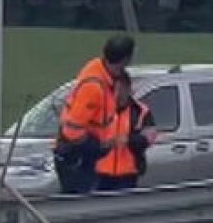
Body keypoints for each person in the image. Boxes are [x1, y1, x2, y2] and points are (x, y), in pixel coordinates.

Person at [55, 34, 135, 194]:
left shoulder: (102, 75)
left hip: (83, 156)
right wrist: (96, 146)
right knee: (81, 206)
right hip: (77, 158)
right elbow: (72, 130)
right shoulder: (94, 86)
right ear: (126, 60)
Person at [95, 72, 153, 192]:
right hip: (100, 173)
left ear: (128, 89)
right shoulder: (101, 110)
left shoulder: (141, 111)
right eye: (114, 90)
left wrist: (128, 140)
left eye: (120, 90)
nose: (117, 94)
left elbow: (148, 139)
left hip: (127, 175)